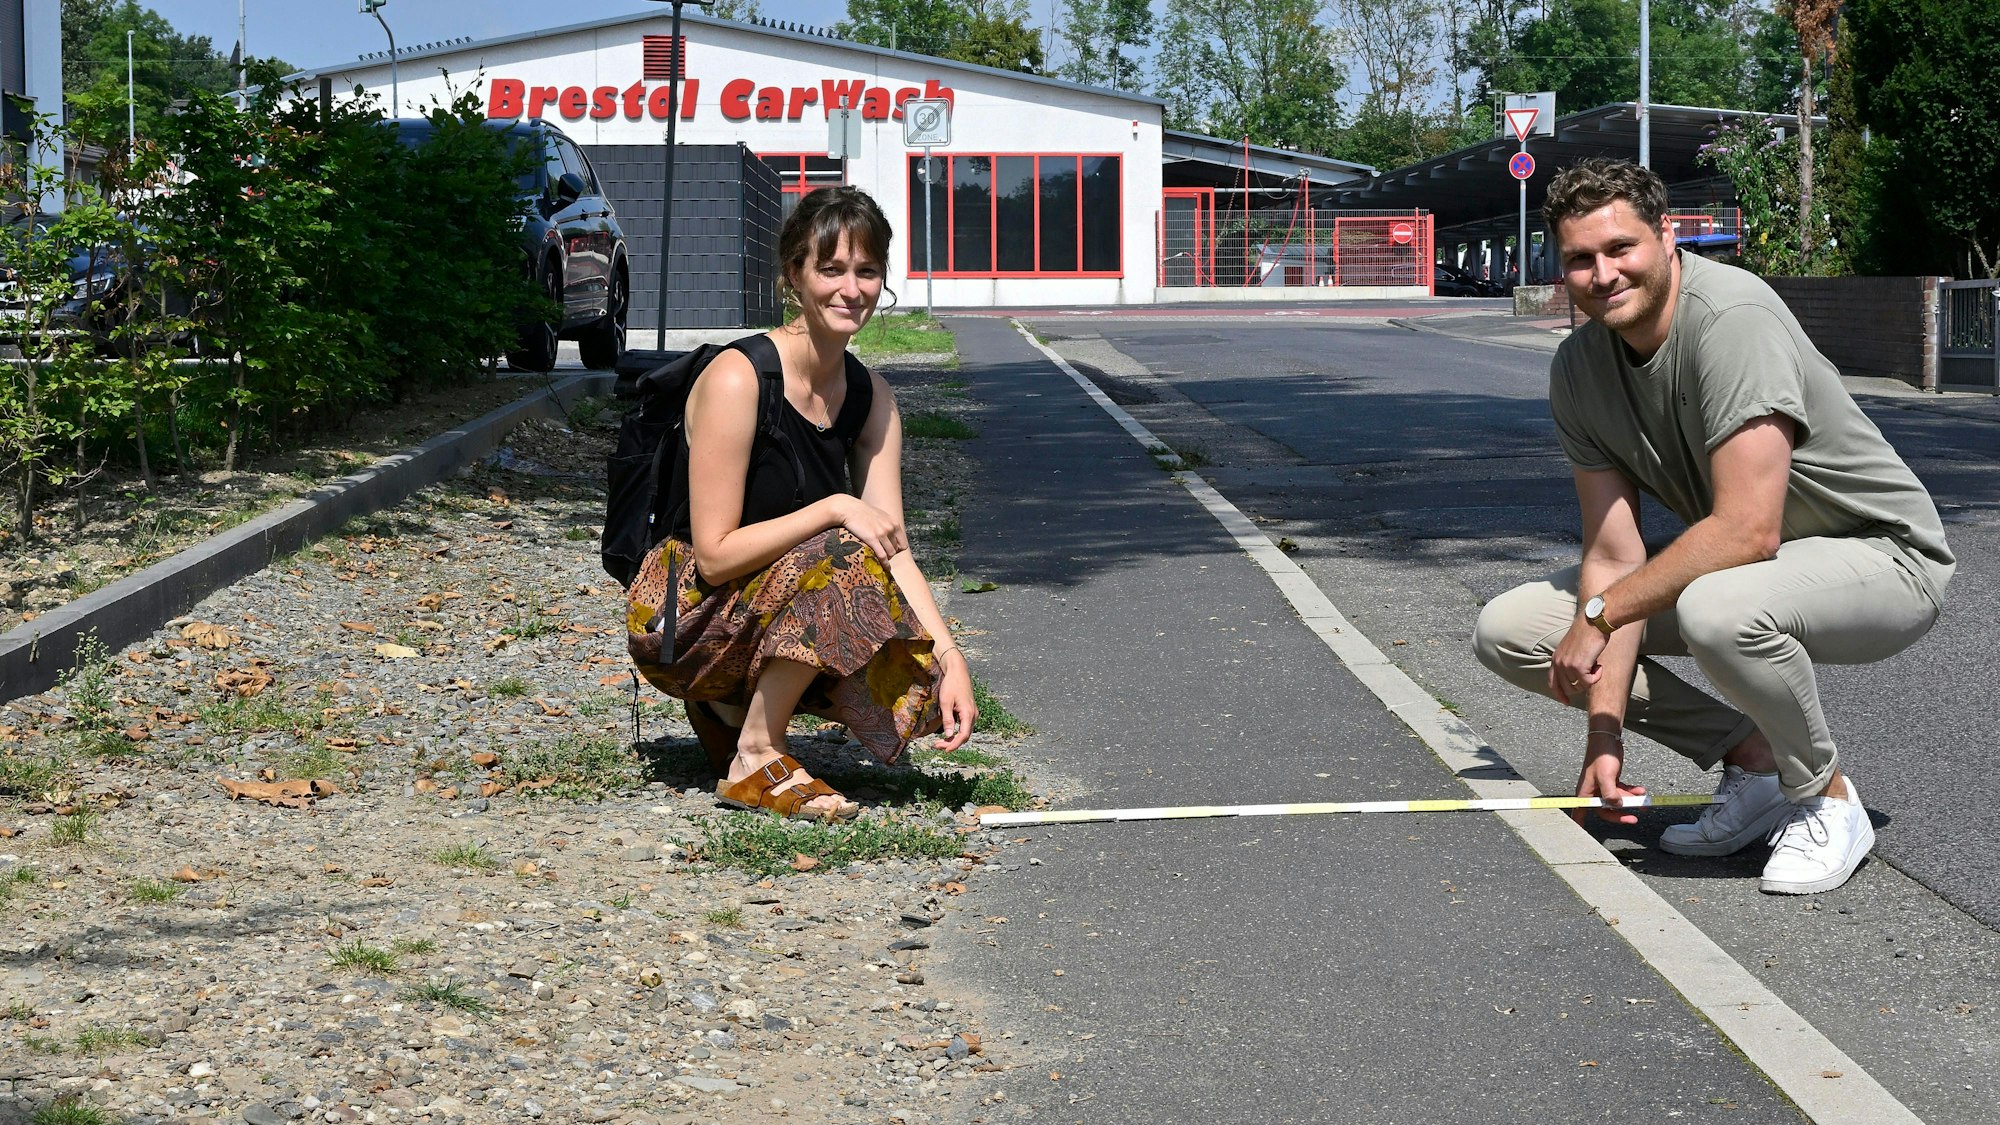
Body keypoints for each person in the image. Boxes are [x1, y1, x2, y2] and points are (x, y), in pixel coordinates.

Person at [1472, 158, 1953, 895]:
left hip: (1885, 559)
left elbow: (1747, 531)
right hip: (1755, 569)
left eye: (1620, 248)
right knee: (1515, 627)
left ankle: (1826, 798)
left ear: (1667, 236)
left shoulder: (1732, 319)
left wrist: (1600, 616)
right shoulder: (1578, 368)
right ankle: (1755, 760)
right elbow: (1612, 552)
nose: (1602, 274)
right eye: (1580, 259)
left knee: (1715, 609)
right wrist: (1603, 733)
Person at [625, 186, 976, 821]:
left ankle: (731, 707)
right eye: (831, 269)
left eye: (867, 271)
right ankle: (756, 750)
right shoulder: (740, 377)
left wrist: (950, 657)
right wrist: (834, 506)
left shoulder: (873, 397)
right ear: (795, 275)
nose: (851, 290)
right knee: (843, 549)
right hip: (683, 614)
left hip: (781, 599)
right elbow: (713, 555)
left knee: (917, 691)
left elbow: (892, 547)